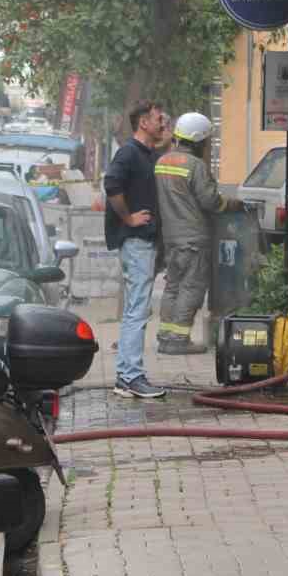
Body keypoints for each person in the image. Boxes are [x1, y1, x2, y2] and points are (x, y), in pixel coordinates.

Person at [154, 112, 243, 354]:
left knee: (173, 286)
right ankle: (179, 340)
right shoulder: (195, 166)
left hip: (171, 238)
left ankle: (165, 336)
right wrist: (231, 204)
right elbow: (210, 201)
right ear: (199, 140)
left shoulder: (162, 162)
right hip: (194, 237)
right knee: (192, 287)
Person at [103, 100, 169, 399]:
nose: (163, 122)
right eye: (158, 118)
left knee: (138, 308)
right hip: (136, 241)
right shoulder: (129, 153)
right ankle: (130, 376)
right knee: (137, 310)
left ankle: (127, 376)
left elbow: (164, 140)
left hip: (146, 241)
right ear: (143, 122)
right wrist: (128, 218)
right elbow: (112, 184)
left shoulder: (148, 154)